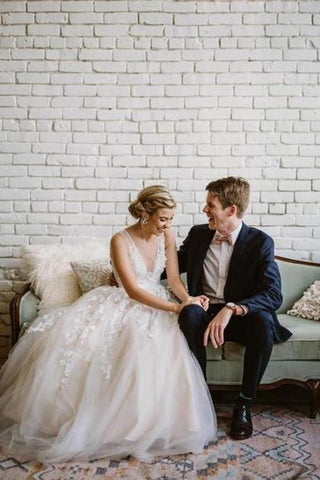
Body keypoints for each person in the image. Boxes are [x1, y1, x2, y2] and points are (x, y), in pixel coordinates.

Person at [0, 185, 217, 463]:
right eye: (163, 219)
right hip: (126, 301)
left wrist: (187, 300)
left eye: (170, 219)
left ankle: (156, 424)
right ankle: (109, 426)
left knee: (163, 345)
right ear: (145, 215)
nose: (167, 225)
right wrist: (175, 307)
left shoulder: (167, 236)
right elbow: (132, 290)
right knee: (119, 342)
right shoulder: (120, 240)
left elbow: (173, 280)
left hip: (161, 299)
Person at [177, 176, 292, 440]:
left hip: (238, 316)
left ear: (231, 210)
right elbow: (170, 267)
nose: (204, 210)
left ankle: (244, 404)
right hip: (204, 311)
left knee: (264, 322)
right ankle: (200, 398)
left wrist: (232, 309)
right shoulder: (198, 235)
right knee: (189, 312)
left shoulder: (260, 242)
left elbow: (273, 294)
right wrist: (126, 270)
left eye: (210, 205)